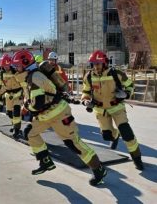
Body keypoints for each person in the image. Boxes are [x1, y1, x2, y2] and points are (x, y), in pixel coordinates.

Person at [12, 50, 107, 186]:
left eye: (17, 66)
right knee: (30, 133)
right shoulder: (28, 76)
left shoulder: (35, 77)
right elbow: (34, 98)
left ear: (25, 64)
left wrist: (27, 106)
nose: (15, 69)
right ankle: (45, 161)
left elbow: (37, 103)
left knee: (73, 144)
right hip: (45, 114)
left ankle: (98, 169)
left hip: (59, 113)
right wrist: (27, 104)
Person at [81, 50, 144, 170]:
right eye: (93, 64)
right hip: (100, 110)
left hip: (117, 108)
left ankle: (137, 158)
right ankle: (115, 135)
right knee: (106, 136)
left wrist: (125, 94)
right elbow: (85, 92)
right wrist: (85, 101)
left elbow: (130, 85)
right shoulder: (89, 76)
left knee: (127, 134)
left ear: (105, 63)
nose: (95, 66)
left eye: (98, 63)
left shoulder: (117, 73)